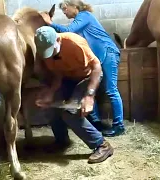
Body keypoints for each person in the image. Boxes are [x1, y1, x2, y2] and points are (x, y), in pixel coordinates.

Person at [40, 0, 125, 137]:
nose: (65, 12)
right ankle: (96, 123)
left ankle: (119, 125)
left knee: (111, 89)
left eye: (66, 9)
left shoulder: (85, 15)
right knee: (91, 88)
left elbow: (68, 31)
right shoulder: (79, 22)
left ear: (75, 6)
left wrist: (50, 23)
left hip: (107, 52)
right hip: (98, 56)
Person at [34, 26, 113, 164]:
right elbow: (58, 73)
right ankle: (62, 141)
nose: (49, 55)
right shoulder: (44, 50)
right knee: (51, 107)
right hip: (67, 78)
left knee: (70, 112)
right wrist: (51, 93)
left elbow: (96, 67)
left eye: (51, 50)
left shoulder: (75, 42)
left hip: (87, 77)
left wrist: (89, 96)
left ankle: (102, 145)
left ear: (58, 39)